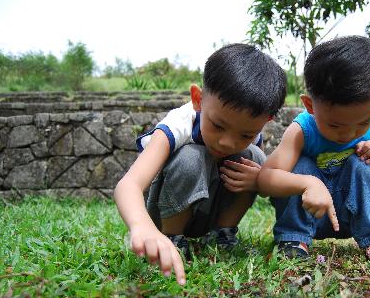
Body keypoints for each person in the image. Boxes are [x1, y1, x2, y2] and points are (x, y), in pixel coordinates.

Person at [114, 43, 287, 285]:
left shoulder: (252, 135)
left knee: (256, 160)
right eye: (218, 126)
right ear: (198, 99)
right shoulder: (178, 125)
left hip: (208, 213)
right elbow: (129, 185)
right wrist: (142, 227)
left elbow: (271, 183)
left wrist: (258, 179)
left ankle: (222, 235)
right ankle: (172, 237)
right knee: (191, 157)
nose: (228, 142)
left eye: (245, 134)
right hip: (164, 212)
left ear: (266, 121)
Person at [257, 36, 370, 261]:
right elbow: (265, 179)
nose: (348, 134)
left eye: (362, 123)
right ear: (310, 106)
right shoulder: (301, 130)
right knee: (302, 164)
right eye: (335, 124)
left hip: (351, 213)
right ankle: (293, 238)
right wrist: (309, 183)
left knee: (367, 165)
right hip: (311, 213)